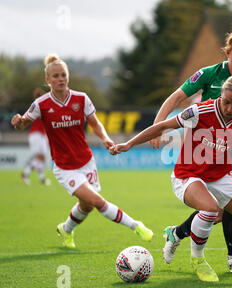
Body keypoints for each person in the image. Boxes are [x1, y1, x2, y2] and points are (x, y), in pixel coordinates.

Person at [111, 74, 232, 281]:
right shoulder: (200, 111)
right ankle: (198, 260)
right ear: (221, 95)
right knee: (210, 209)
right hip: (188, 175)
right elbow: (162, 127)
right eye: (226, 102)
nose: (229, 109)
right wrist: (129, 144)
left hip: (221, 176)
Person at [150, 12, 232, 273]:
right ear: (227, 52)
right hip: (200, 151)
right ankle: (192, 244)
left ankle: (228, 255)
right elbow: (175, 98)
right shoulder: (208, 74)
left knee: (229, 208)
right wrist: (157, 127)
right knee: (213, 211)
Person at [11, 54, 153, 249]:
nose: (60, 79)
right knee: (96, 201)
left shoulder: (81, 99)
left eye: (63, 75)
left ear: (68, 77)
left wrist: (105, 138)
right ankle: (135, 225)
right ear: (48, 80)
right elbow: (22, 124)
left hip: (86, 161)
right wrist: (18, 122)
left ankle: (66, 229)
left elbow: (95, 124)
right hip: (64, 167)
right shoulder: (41, 104)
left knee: (86, 206)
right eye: (55, 76)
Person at [21, 87, 52, 186]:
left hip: (41, 135)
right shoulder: (37, 106)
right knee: (39, 157)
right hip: (36, 134)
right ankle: (26, 174)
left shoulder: (41, 107)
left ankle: (41, 178)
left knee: (41, 158)